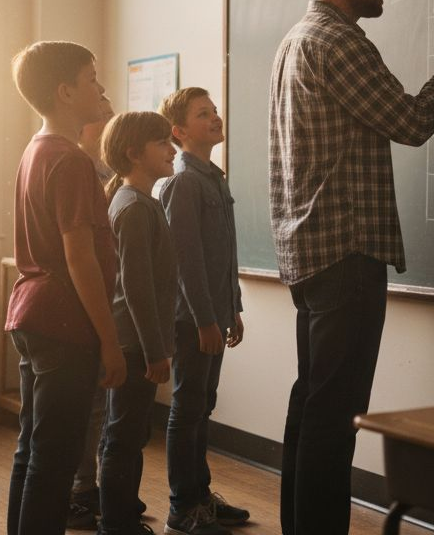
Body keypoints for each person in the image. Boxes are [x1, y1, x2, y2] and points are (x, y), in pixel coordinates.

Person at [268, 0, 434, 535]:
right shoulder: (339, 43)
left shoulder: (293, 41)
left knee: (312, 404)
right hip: (346, 252)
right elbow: (413, 121)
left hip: (308, 251)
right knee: (336, 416)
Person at [5, 41, 128, 535]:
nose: (100, 88)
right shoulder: (72, 160)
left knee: (32, 449)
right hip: (63, 321)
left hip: (32, 314)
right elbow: (81, 259)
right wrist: (111, 342)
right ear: (64, 92)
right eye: (92, 78)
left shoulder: (36, 149)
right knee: (53, 460)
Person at [157, 88, 250, 535]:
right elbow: (186, 262)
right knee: (187, 408)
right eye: (202, 114)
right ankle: (182, 508)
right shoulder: (183, 181)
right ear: (178, 131)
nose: (215, 117)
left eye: (214, 110)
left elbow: (223, 254)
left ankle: (201, 498)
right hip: (194, 320)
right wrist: (205, 320)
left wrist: (233, 308)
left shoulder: (215, 176)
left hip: (216, 314)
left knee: (203, 406)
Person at [97, 111, 179, 535]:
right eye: (163, 142)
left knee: (129, 434)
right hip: (134, 346)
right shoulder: (132, 207)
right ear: (133, 153)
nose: (173, 149)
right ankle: (116, 525)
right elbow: (137, 290)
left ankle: (124, 516)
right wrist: (155, 351)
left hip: (138, 344)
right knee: (123, 437)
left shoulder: (142, 202)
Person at [68, 96, 118, 530]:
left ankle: (90, 485)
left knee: (99, 406)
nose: (106, 120)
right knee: (86, 408)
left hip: (106, 298)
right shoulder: (75, 168)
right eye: (101, 114)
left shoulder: (108, 173)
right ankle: (81, 490)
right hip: (83, 306)